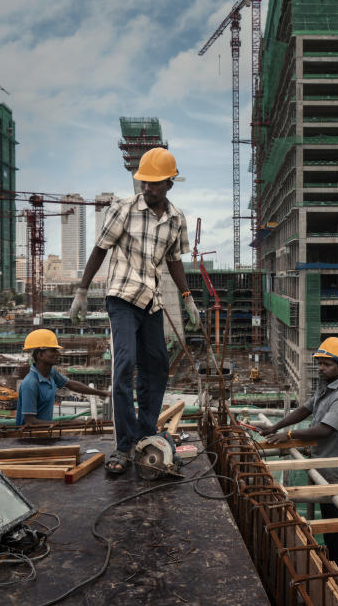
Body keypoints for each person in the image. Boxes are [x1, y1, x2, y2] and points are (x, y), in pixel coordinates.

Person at [68, 147, 198, 474]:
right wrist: (82, 291)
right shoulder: (123, 210)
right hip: (121, 297)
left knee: (157, 364)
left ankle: (145, 431)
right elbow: (100, 249)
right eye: (144, 182)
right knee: (124, 363)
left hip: (151, 300)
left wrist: (187, 296)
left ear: (170, 183)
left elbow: (174, 260)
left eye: (155, 183)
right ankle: (123, 445)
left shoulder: (176, 219)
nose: (147, 188)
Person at [261, 337, 338, 567]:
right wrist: (276, 426)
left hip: (336, 471)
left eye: (328, 364)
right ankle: (332, 567)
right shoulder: (326, 386)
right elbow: (305, 409)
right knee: (330, 525)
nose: (321, 368)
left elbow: (324, 430)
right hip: (321, 464)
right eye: (320, 363)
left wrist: (290, 436)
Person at [16, 329, 109, 426]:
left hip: (44, 433)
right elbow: (30, 422)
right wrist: (67, 423)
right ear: (40, 355)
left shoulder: (50, 373)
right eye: (53, 350)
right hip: (30, 438)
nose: (58, 354)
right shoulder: (30, 384)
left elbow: (72, 385)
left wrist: (104, 393)